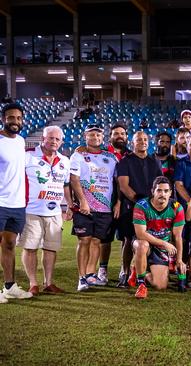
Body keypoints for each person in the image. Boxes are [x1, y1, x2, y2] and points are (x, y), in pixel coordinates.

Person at [19, 126, 72, 296]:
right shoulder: (28, 155)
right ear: (43, 138)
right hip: (30, 210)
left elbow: (65, 186)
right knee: (30, 247)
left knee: (51, 248)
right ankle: (33, 283)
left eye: (57, 139)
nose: (53, 141)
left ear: (61, 141)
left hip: (55, 212)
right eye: (50, 138)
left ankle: (48, 283)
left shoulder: (65, 160)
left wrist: (70, 204)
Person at [69, 124, 118, 291]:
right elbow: (74, 180)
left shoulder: (111, 157)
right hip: (84, 207)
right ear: (85, 136)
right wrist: (82, 201)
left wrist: (117, 202)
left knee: (97, 241)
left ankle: (91, 275)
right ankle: (81, 278)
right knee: (84, 241)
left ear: (102, 137)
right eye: (91, 135)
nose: (95, 138)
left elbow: (116, 182)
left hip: (105, 208)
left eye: (98, 135)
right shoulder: (78, 155)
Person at [116, 131, 163, 289]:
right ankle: (124, 271)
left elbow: (160, 183)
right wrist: (140, 202)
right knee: (128, 240)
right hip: (131, 207)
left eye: (145, 139)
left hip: (152, 208)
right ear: (132, 143)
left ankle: (140, 273)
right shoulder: (125, 161)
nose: (143, 142)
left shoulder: (154, 161)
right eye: (139, 140)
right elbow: (123, 186)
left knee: (147, 241)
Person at [130, 176, 186, 299]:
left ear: (170, 193)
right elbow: (140, 234)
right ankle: (141, 285)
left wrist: (179, 260)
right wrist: (165, 243)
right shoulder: (142, 205)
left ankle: (139, 270)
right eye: (159, 190)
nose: (162, 194)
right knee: (142, 245)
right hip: (145, 243)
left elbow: (178, 236)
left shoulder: (177, 207)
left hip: (160, 248)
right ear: (153, 191)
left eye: (166, 191)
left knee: (160, 285)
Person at [0, 103, 34, 303]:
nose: (15, 121)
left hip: (17, 204)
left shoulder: (21, 141)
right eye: (11, 117)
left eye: (18, 118)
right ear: (4, 119)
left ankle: (10, 286)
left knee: (10, 244)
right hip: (0, 202)